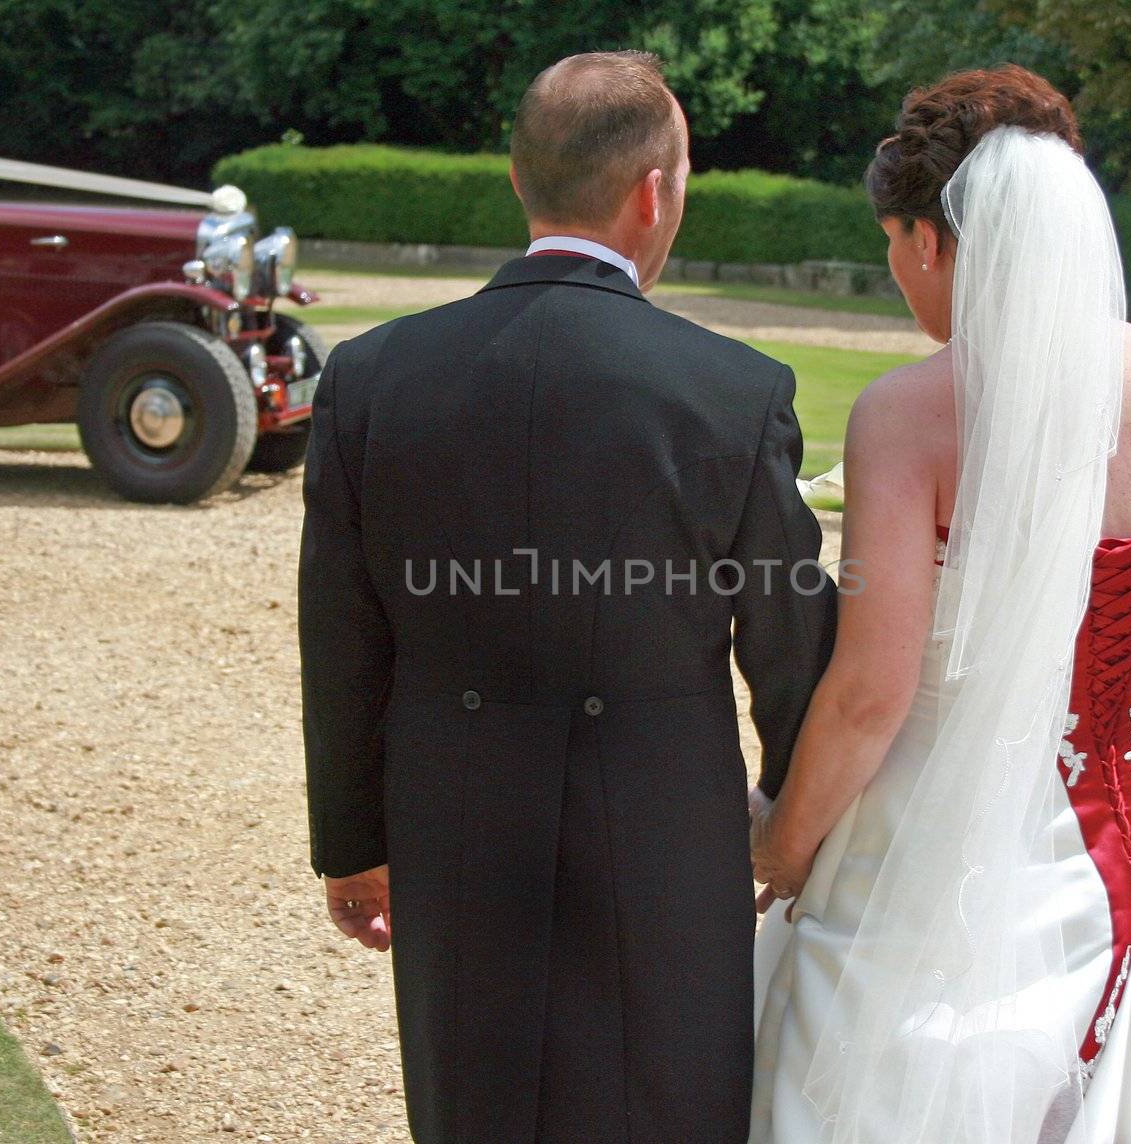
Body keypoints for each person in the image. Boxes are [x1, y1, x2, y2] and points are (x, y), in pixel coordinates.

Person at [749, 67, 1131, 1142]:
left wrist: (785, 843)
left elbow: (872, 694)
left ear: (929, 239)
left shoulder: (908, 416)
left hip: (956, 820)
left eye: (892, 243)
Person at [299, 51, 837, 1143]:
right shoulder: (734, 390)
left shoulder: (369, 376)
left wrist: (349, 839)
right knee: (672, 1106)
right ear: (655, 190)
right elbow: (786, 637)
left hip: (450, 818)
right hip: (663, 826)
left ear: (517, 178)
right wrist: (795, 812)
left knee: (475, 1110)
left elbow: (342, 634)